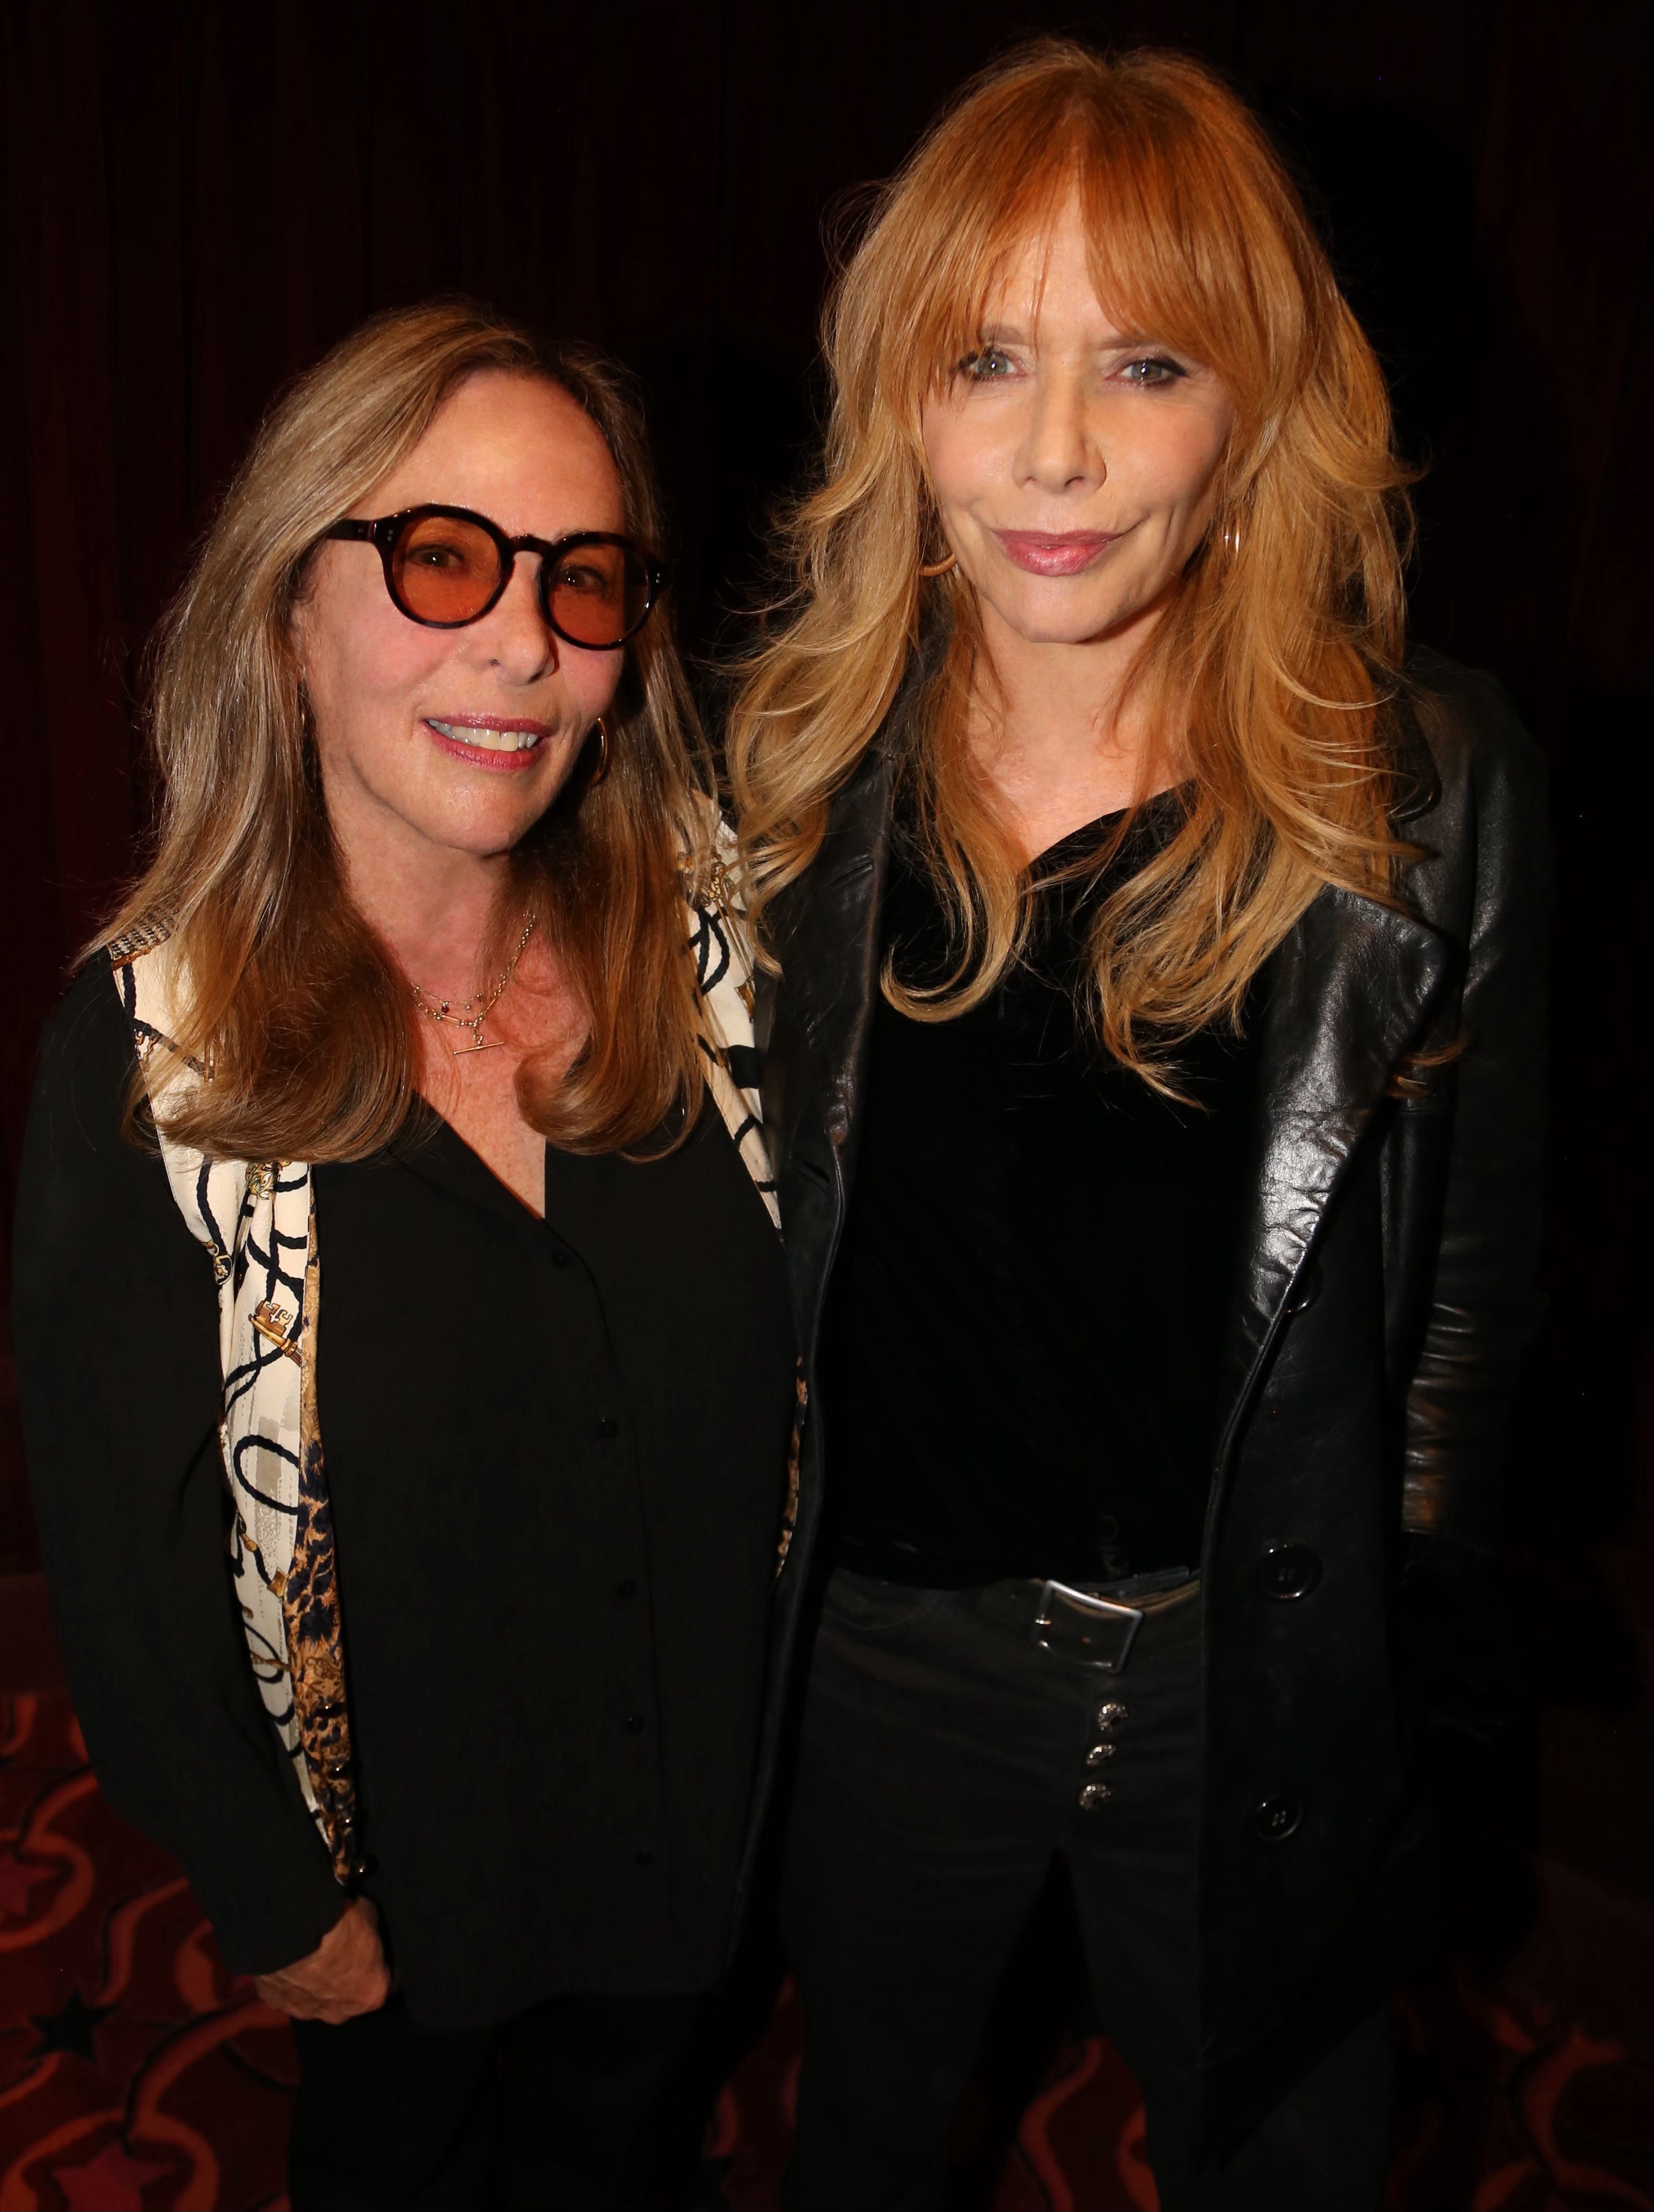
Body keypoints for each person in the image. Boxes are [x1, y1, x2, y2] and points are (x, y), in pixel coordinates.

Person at [729, 41, 1548, 2212]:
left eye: (1150, 363)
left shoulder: (1425, 788)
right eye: (987, 358)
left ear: (1258, 408)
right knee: (865, 2138)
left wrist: (1408, 1689)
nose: (1057, 450)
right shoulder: (792, 776)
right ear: (901, 403)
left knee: (1288, 2150)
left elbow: (1459, 1315)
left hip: (1240, 1651)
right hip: (887, 1652)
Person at [13, 302, 799, 2211]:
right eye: (443, 557)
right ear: (291, 612)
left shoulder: (726, 957)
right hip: (406, 1897)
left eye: (582, 579)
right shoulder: (158, 1050)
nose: (523, 641)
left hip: (705, 1834)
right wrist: (274, 1893)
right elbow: (123, 1562)